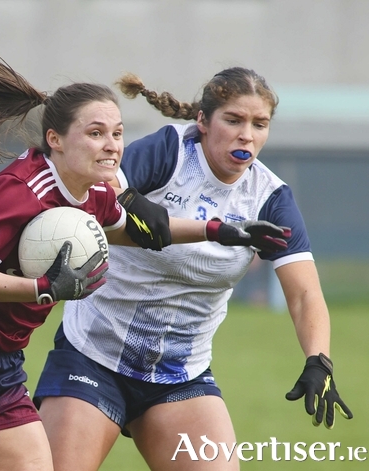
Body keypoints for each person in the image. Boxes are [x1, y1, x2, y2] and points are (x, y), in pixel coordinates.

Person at [0, 34, 290, 471]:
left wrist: (220, 230)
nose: (112, 145)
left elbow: (139, 233)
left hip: (3, 369)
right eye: (96, 133)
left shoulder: (92, 193)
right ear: (56, 138)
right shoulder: (21, 191)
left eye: (117, 133)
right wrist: (43, 288)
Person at [33, 67, 353, 471]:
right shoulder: (170, 152)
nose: (246, 135)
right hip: (93, 355)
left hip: (180, 375)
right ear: (202, 121)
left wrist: (318, 359)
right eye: (233, 120)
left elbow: (305, 293)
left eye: (260, 124)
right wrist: (133, 200)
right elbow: (97, 193)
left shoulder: (270, 198)